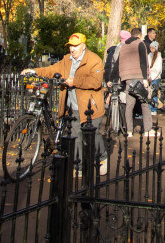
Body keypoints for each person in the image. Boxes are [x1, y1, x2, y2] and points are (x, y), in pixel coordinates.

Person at [21, 33, 106, 175]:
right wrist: (34, 71)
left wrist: (75, 81)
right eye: (71, 46)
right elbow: (52, 69)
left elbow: (96, 82)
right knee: (76, 135)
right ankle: (79, 167)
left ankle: (102, 158)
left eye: (75, 46)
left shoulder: (94, 60)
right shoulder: (67, 60)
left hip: (90, 106)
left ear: (83, 46)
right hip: (73, 105)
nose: (72, 49)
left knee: (93, 135)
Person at [118, 28, 153, 137]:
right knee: (144, 103)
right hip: (139, 77)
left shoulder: (124, 46)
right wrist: (145, 78)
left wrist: (119, 78)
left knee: (129, 105)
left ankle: (129, 131)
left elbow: (119, 62)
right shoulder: (140, 44)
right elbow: (143, 61)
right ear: (140, 35)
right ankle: (148, 129)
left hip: (128, 78)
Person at [147, 40, 163, 113]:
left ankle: (153, 109)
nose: (151, 49)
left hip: (155, 78)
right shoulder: (149, 55)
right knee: (149, 93)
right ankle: (150, 108)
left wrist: (152, 77)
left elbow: (158, 69)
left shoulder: (158, 57)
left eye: (152, 48)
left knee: (154, 93)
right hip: (150, 77)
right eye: (150, 48)